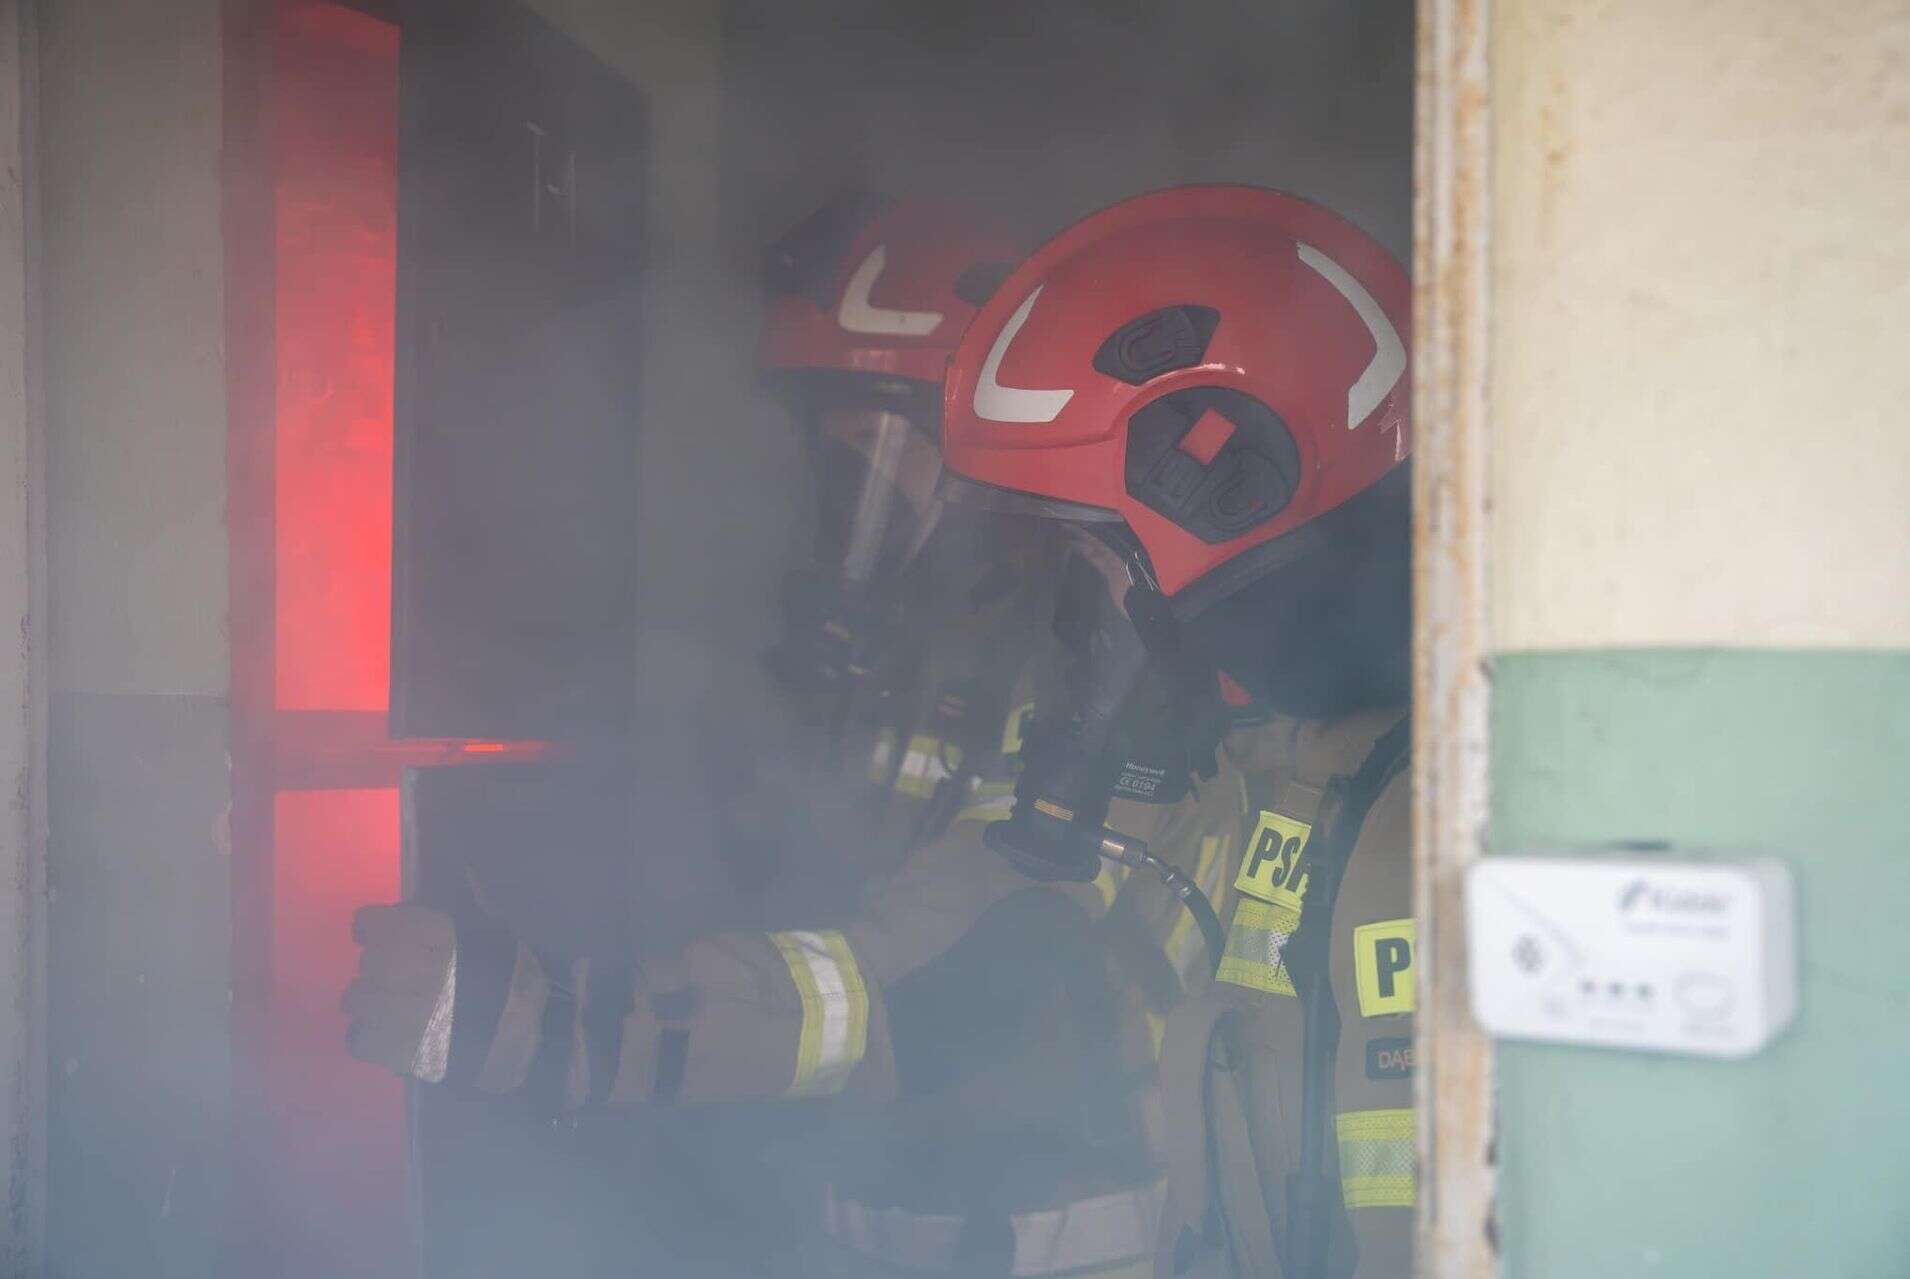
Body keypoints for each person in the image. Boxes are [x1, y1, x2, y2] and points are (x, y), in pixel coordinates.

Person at [345, 191, 1245, 1278]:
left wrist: (585, 1031)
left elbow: (973, 977)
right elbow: (782, 899)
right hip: (868, 1226)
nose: (844, 481)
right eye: (828, 436)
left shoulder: (1112, 677)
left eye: (883, 438)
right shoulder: (884, 670)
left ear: (990, 456)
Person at [936, 184, 1414, 1278]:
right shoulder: (1251, 787)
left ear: (1235, 488)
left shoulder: (1437, 818)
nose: (1085, 613)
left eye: (1104, 558)